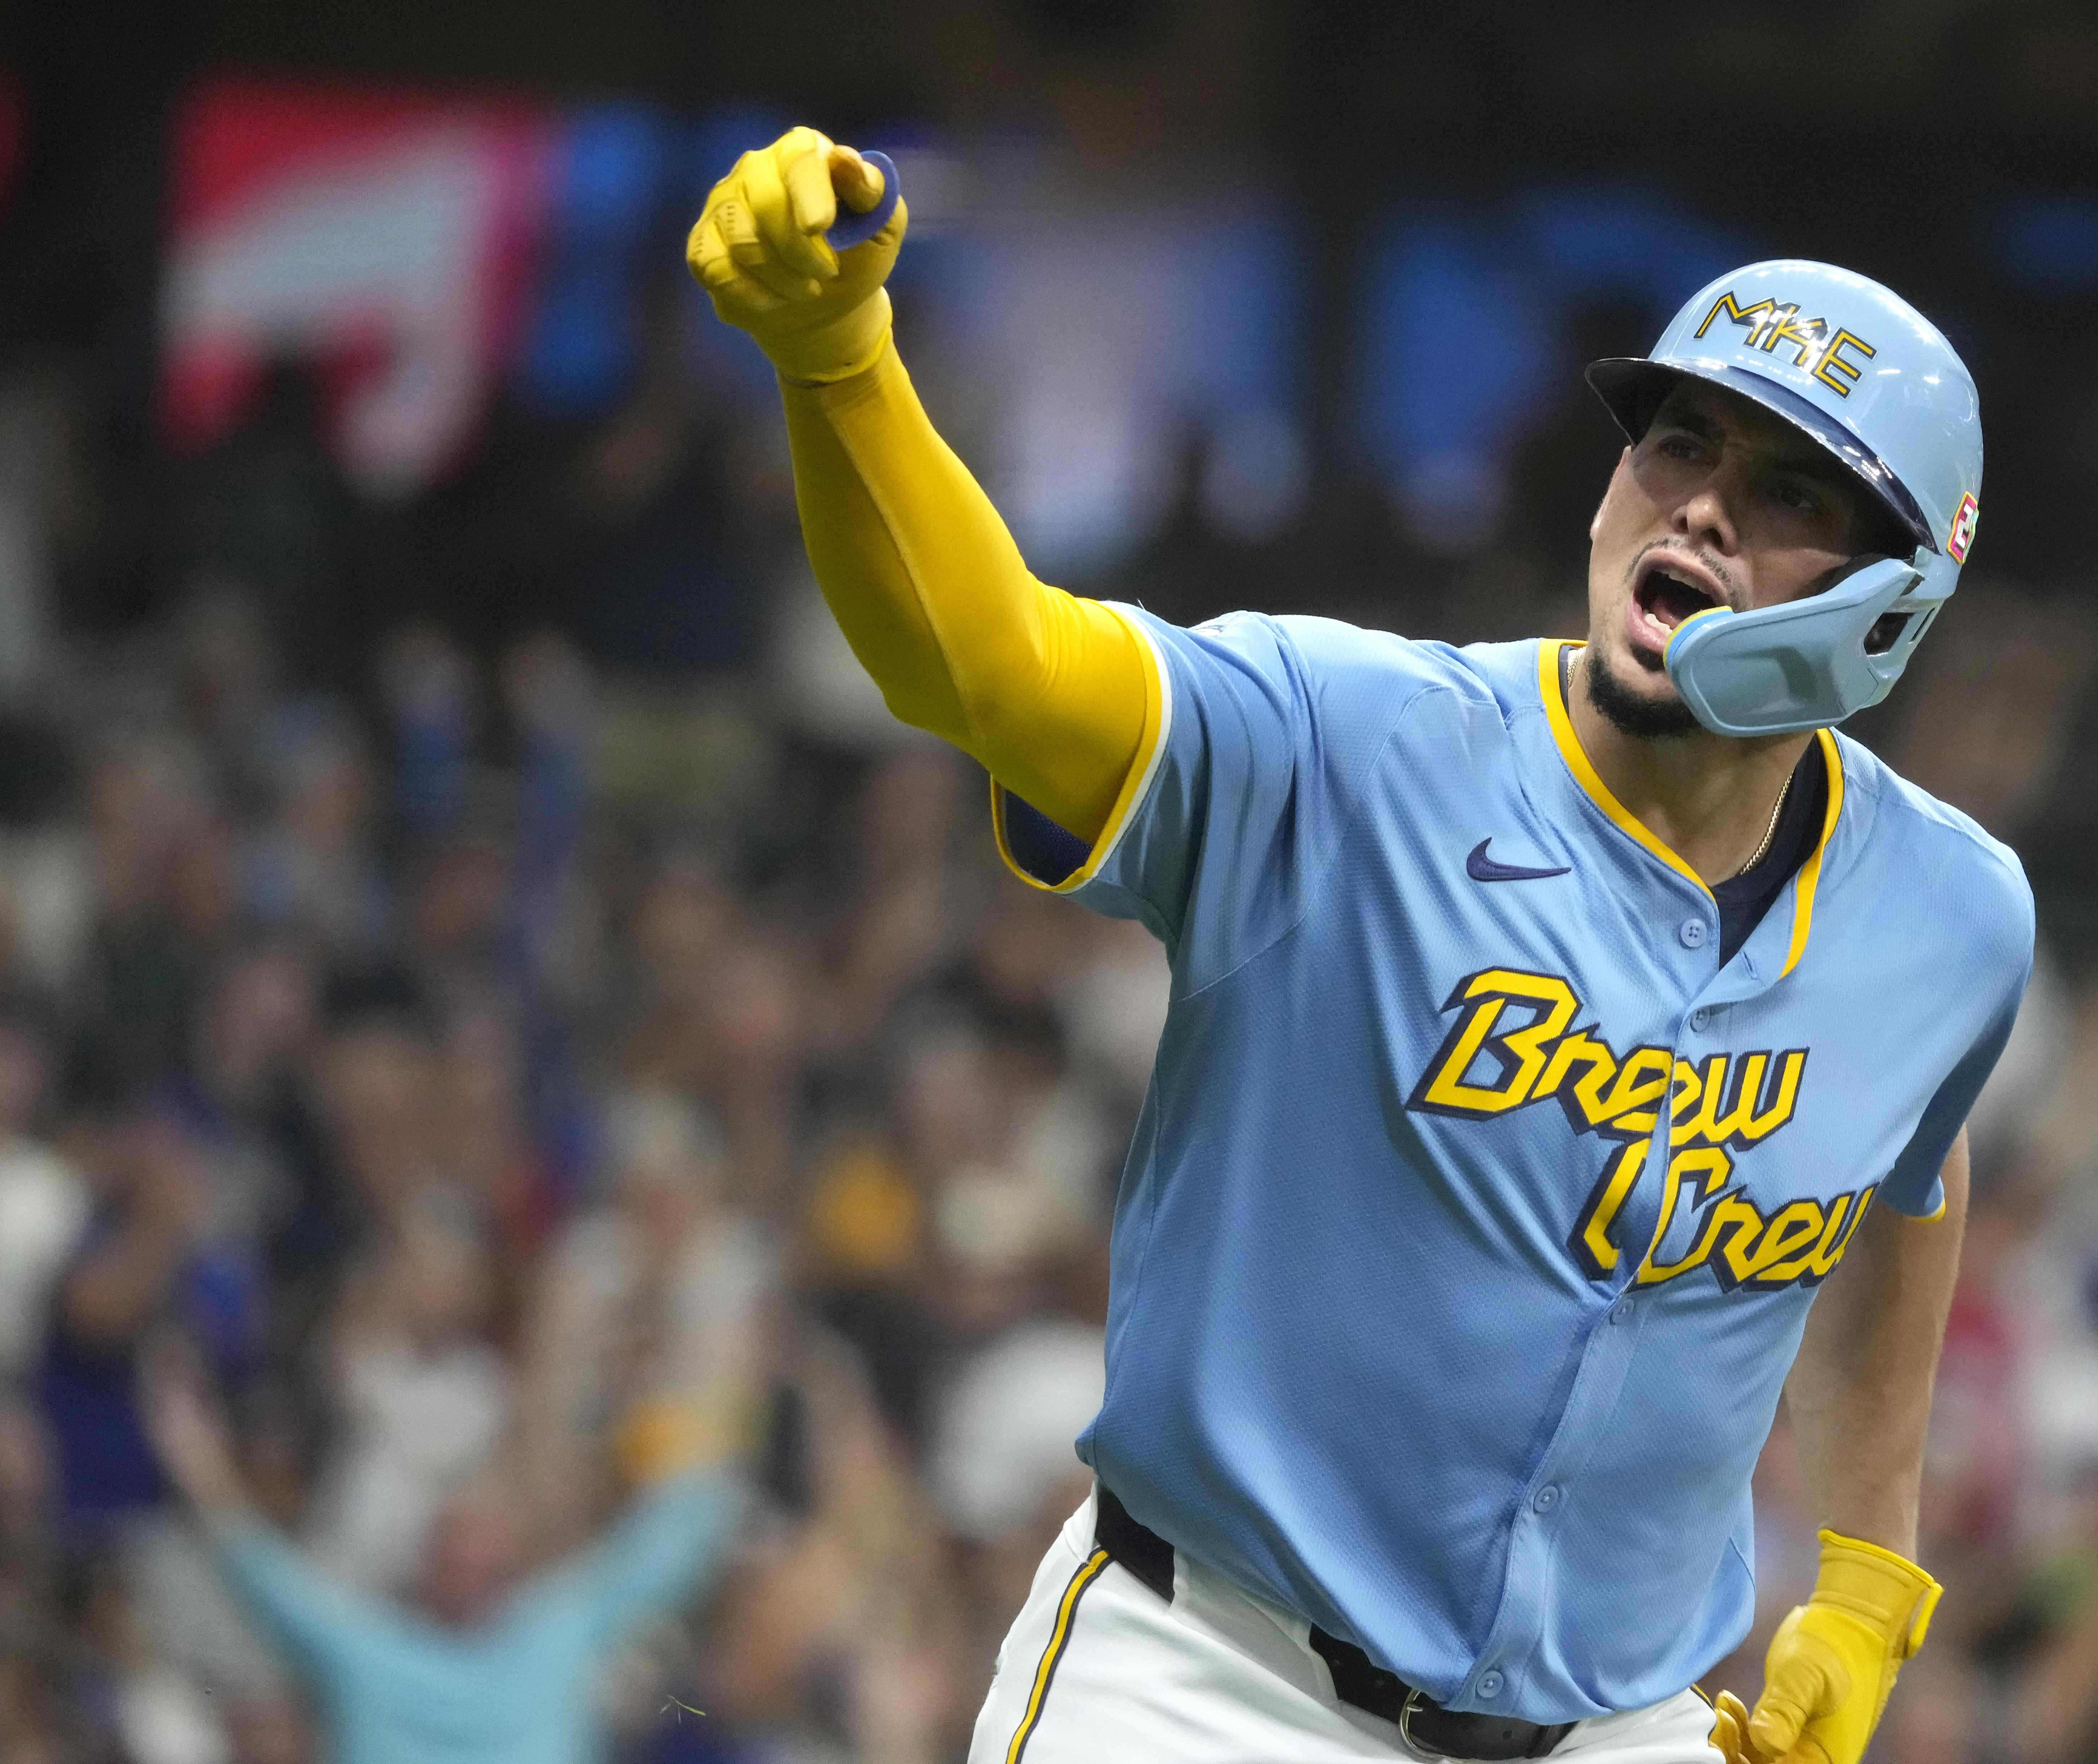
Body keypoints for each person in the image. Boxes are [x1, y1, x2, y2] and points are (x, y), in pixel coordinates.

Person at [689, 129, 2028, 1764]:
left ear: (1889, 608)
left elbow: (1905, 1170)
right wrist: (840, 366)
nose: (1698, 508)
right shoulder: (1352, 741)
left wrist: (1866, 1577)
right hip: (1218, 1682)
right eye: (1676, 444)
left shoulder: (1950, 918)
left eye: (1787, 492)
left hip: (1618, 1726)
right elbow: (990, 667)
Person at [138, 1341, 743, 1764]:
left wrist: (710, 1391)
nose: (466, 1565)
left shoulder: (557, 1629)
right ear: (424, 1564)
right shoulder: (366, 1648)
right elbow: (256, 1566)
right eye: (451, 1550)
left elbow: (672, 1545)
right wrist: (195, 1455)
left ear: (513, 1566)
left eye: (481, 1550)